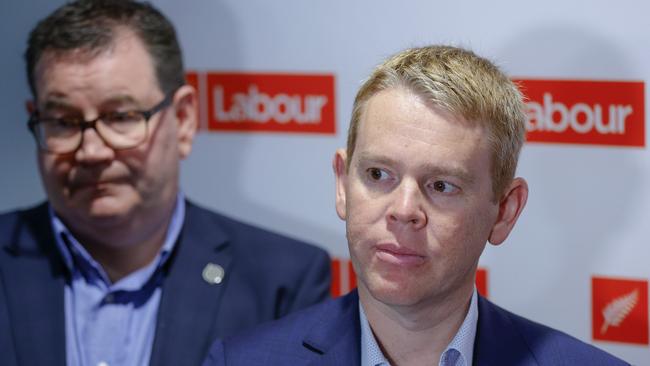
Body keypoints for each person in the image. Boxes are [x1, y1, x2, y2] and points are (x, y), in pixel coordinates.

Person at [202, 45, 628, 366]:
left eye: (441, 185)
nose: (403, 209)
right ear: (342, 185)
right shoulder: (241, 360)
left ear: (504, 212)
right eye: (378, 175)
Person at [0, 1, 331, 366]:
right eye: (63, 121)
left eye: (120, 117)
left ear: (184, 119)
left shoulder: (280, 283)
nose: (91, 151)